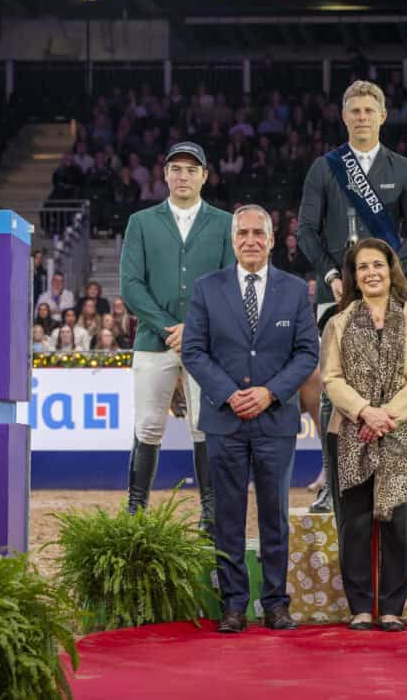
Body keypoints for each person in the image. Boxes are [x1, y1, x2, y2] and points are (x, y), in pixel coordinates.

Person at [181, 205, 318, 634]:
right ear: (232, 239)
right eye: (243, 233)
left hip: (275, 420)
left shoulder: (296, 291)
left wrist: (270, 392)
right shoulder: (207, 288)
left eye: (259, 233)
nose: (251, 240)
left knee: (274, 514)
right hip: (225, 419)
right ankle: (234, 604)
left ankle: (276, 602)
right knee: (228, 515)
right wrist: (228, 393)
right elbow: (194, 352)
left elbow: (307, 354)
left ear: (273, 239)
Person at [297, 79, 407, 513]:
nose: (362, 118)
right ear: (344, 116)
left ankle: (389, 479)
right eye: (355, 111)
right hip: (338, 292)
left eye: (369, 111)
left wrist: (389, 275)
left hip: (390, 296)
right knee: (333, 389)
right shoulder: (324, 167)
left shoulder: (403, 168)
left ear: (383, 116)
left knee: (390, 384)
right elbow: (306, 231)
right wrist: (332, 273)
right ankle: (331, 482)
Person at [320, 238, 407, 632]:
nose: (371, 272)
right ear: (353, 276)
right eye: (362, 267)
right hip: (350, 433)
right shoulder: (337, 322)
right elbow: (330, 378)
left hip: (406, 434)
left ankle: (391, 607)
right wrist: (363, 411)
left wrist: (386, 415)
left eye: (378, 265)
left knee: (399, 524)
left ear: (391, 270)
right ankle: (360, 608)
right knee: (354, 524)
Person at [120, 141, 234, 526]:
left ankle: (210, 514)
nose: (183, 176)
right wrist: (171, 328)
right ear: (165, 174)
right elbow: (131, 285)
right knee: (148, 424)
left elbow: (230, 281)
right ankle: (136, 511)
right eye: (176, 169)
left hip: (208, 345)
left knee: (204, 426)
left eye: (191, 169)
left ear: (204, 175)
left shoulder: (224, 223)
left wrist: (196, 329)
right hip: (154, 341)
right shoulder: (141, 221)